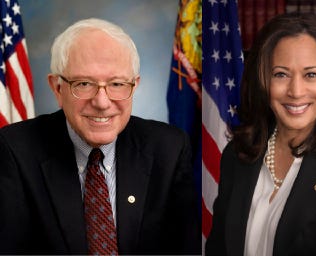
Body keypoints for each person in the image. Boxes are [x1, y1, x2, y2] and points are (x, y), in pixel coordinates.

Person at [0, 18, 199, 254]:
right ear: (57, 88)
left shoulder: (169, 148)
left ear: (134, 86)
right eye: (84, 84)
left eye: (116, 83)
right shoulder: (15, 149)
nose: (102, 102)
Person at [206, 13, 316, 255]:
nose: (296, 91)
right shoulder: (237, 155)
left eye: (311, 74)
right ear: (263, 78)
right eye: (281, 74)